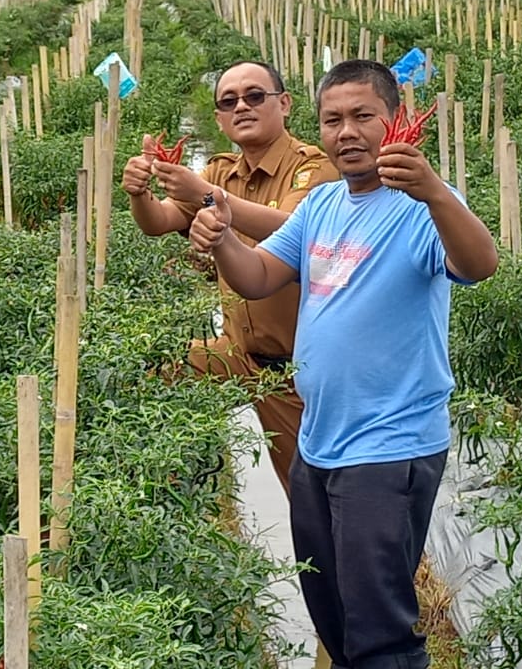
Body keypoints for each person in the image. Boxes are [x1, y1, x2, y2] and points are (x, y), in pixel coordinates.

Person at [189, 59, 498, 669]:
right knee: (331, 612)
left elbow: (479, 264)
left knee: (380, 630)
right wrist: (222, 238)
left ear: (396, 121)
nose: (347, 132)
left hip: (388, 447)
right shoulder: (323, 205)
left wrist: (435, 191)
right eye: (333, 120)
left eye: (363, 116)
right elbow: (259, 276)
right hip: (319, 441)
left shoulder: (422, 208)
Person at [121, 60, 337, 494]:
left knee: (311, 495)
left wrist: (206, 196)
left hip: (297, 372)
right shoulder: (222, 171)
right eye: (228, 101)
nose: (242, 106)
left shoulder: (314, 168)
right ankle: (162, 486)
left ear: (285, 104)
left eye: (255, 96)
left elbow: (293, 229)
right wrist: (139, 192)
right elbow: (160, 221)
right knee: (144, 369)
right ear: (219, 119)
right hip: (236, 355)